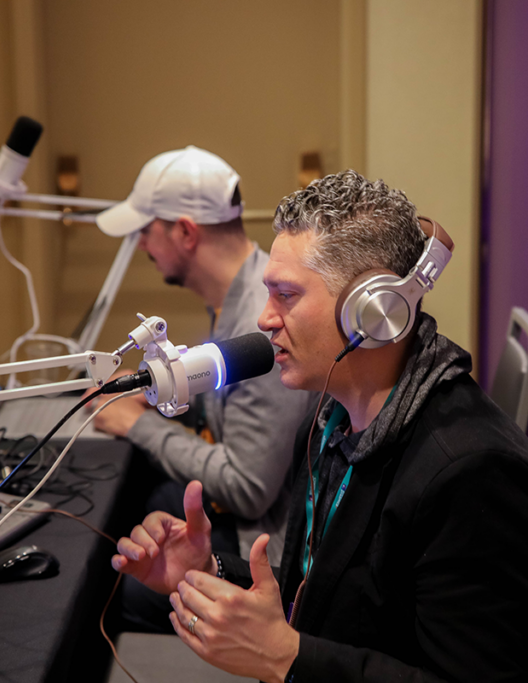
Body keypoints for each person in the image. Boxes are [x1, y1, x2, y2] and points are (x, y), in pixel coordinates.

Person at [111, 170, 528, 681]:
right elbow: (322, 592)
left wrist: (285, 657)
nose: (265, 319)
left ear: (375, 314)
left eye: (286, 295)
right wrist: (209, 571)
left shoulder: (474, 475)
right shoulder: (333, 419)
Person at [93, 146, 316, 632]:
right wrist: (151, 397)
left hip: (263, 546)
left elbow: (248, 488)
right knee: (139, 504)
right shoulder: (236, 298)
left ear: (185, 232)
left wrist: (138, 424)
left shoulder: (263, 330)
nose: (140, 246)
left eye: (144, 231)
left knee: (110, 592)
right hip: (249, 515)